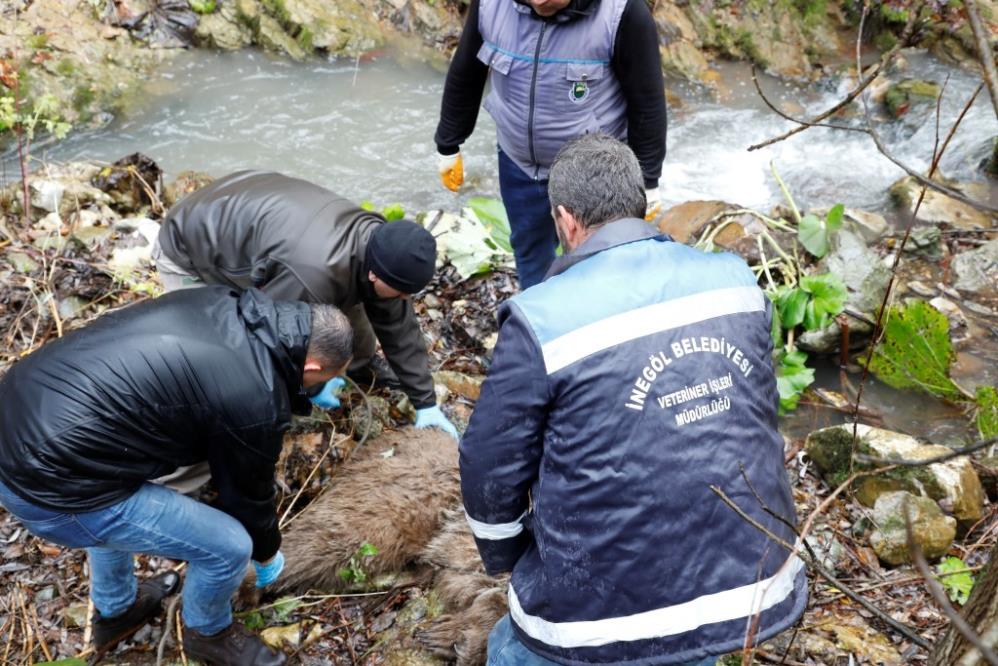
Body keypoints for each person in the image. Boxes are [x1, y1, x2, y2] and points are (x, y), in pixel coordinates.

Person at [459, 134, 807, 665]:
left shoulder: (541, 317)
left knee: (507, 649)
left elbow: (489, 462)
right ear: (640, 204)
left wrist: (507, 553)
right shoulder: (736, 281)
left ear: (565, 220)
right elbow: (754, 412)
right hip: (750, 590)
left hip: (599, 619)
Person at [0, 287, 353, 665]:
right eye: (325, 378)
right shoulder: (255, 399)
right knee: (230, 547)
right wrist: (266, 554)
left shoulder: (226, 302)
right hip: (48, 487)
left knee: (106, 490)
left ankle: (117, 611)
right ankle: (208, 632)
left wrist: (299, 391)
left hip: (20, 416)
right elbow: (246, 497)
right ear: (311, 368)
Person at [154, 170, 458, 439]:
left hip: (253, 212)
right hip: (189, 247)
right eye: (402, 292)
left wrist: (425, 402)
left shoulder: (381, 248)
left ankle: (357, 368)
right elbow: (269, 339)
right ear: (374, 273)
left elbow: (398, 325)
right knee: (221, 350)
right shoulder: (309, 275)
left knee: (362, 306)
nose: (405, 298)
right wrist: (310, 388)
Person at [434, 0, 667, 289]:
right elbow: (467, 71)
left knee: (603, 257)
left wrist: (648, 179)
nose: (540, 2)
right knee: (530, 249)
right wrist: (448, 143)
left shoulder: (622, 12)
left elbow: (647, 100)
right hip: (519, 163)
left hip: (595, 172)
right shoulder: (490, 5)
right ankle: (540, 308)